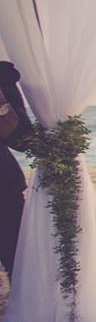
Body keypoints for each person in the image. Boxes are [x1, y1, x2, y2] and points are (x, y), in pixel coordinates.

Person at [0, 62, 30, 283]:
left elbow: (23, 139)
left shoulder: (2, 75)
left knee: (18, 267)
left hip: (3, 190)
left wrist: (2, 106)